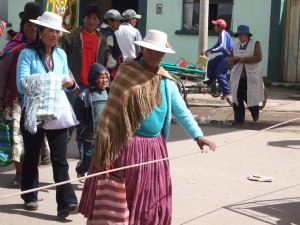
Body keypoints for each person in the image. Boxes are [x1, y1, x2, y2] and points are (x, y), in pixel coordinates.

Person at [79, 29, 217, 224]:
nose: (154, 55)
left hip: (154, 150)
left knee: (153, 200)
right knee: (120, 199)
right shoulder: (126, 73)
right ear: (142, 49)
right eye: (151, 50)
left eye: (159, 52)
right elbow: (111, 113)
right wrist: (107, 151)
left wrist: (197, 135)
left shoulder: (166, 81)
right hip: (125, 147)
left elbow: (181, 110)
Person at [16, 12, 78, 218]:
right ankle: (30, 194)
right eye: (50, 30)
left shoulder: (61, 55)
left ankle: (67, 202)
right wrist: (52, 79)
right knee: (32, 156)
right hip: (34, 112)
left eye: (57, 31)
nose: (54, 35)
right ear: (40, 32)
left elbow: (68, 80)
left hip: (57, 111)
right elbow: (21, 84)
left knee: (60, 158)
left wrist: (70, 83)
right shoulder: (27, 54)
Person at [0, 2, 50, 187]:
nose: (32, 29)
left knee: (34, 138)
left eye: (36, 26)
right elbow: (2, 72)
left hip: (37, 101)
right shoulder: (14, 46)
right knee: (17, 138)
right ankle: (20, 174)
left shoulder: (44, 49)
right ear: (23, 26)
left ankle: (29, 173)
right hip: (15, 99)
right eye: (28, 25)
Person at [61, 4, 108, 158]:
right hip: (75, 84)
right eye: (89, 18)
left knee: (88, 120)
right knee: (69, 118)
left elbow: (105, 62)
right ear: (84, 18)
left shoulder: (102, 39)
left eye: (95, 18)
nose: (92, 21)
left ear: (99, 21)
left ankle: (83, 153)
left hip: (92, 85)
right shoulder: (72, 36)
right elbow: (63, 58)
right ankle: (61, 149)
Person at [74, 63, 110, 179]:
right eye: (101, 78)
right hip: (90, 134)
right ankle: (81, 169)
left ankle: (100, 178)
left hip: (106, 134)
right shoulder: (85, 96)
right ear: (94, 79)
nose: (105, 81)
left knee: (106, 157)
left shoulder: (109, 93)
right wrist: (84, 129)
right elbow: (78, 116)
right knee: (88, 157)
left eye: (106, 78)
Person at [228, 25, 264, 125]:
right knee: (237, 98)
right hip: (237, 76)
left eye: (242, 34)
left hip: (251, 76)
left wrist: (245, 59)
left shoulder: (255, 43)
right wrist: (234, 59)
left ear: (247, 35)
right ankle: (238, 120)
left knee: (250, 98)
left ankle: (255, 115)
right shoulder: (236, 45)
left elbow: (258, 57)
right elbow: (230, 58)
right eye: (239, 34)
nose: (240, 36)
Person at [202, 19, 234, 100]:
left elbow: (222, 47)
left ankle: (227, 91)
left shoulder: (223, 34)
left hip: (229, 57)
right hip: (225, 55)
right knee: (211, 63)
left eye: (215, 25)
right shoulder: (220, 34)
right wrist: (209, 50)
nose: (214, 27)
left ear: (220, 27)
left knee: (219, 73)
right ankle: (211, 82)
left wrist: (211, 51)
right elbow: (217, 45)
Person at [99, 9, 123, 79]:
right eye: (117, 21)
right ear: (109, 21)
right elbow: (108, 56)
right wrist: (116, 65)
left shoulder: (99, 30)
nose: (119, 23)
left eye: (120, 21)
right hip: (107, 72)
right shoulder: (109, 34)